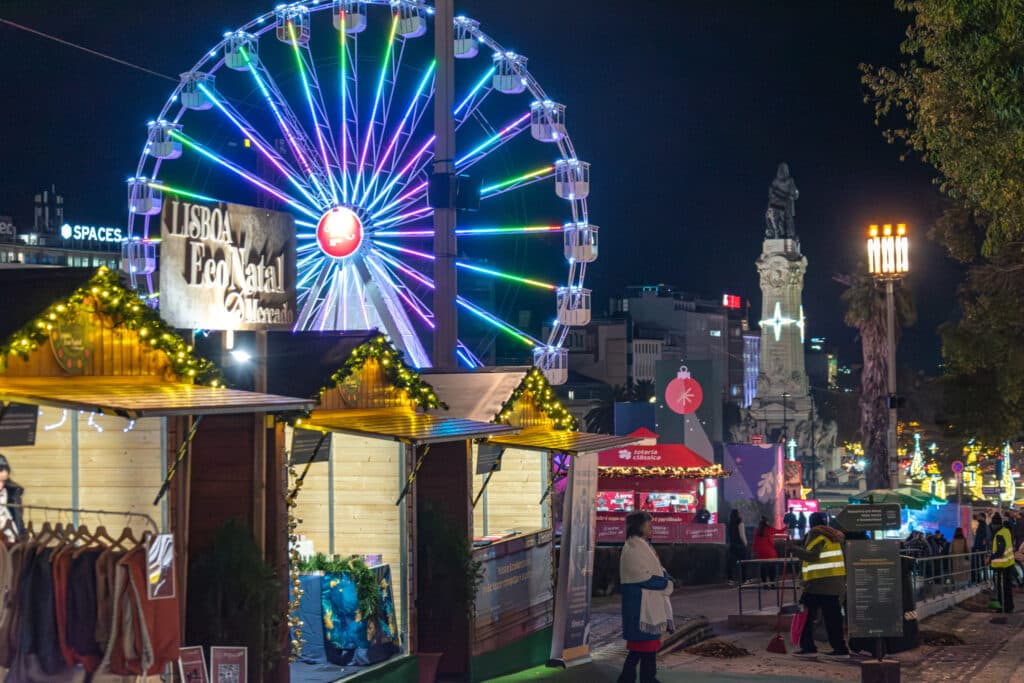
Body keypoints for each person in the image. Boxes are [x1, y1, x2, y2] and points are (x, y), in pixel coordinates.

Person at [618, 511, 673, 683]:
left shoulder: (642, 545)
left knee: (641, 648)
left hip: (644, 604)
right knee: (644, 647)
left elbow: (658, 570)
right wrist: (665, 582)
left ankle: (632, 678)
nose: (651, 527)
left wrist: (665, 579)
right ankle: (646, 678)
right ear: (639, 526)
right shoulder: (633, 548)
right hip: (639, 606)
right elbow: (642, 576)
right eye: (649, 524)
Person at [787, 512, 849, 657]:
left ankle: (808, 648)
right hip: (835, 584)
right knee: (833, 619)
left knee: (805, 616)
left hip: (817, 584)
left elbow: (812, 556)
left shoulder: (816, 533)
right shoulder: (835, 536)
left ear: (811, 522)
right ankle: (840, 650)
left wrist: (793, 549)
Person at [990, 513, 1015, 614]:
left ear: (995, 524)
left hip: (1001, 567)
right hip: (1009, 564)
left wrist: (990, 558)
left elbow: (1000, 550)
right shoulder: (1006, 531)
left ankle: (1002, 608)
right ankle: (1009, 607)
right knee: (1007, 588)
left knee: (1000, 589)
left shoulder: (999, 534)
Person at [752, 516, 787, 588]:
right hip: (770, 552)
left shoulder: (757, 530)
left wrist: (754, 551)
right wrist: (787, 526)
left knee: (763, 568)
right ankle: (772, 584)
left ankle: (764, 584)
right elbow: (780, 531)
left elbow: (755, 542)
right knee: (772, 568)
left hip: (761, 553)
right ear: (767, 522)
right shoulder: (769, 529)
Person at [0, 454, 24, 541]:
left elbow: (18, 518)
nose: (1, 485)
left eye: (3, 481)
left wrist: (20, 535)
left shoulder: (12, 493)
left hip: (9, 536)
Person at [726, 509, 747, 585]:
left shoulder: (730, 523)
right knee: (743, 563)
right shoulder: (740, 522)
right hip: (740, 546)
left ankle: (731, 579)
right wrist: (745, 543)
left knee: (731, 563)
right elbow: (742, 535)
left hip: (732, 545)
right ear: (738, 514)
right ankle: (743, 580)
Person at [973, 513, 990, 583]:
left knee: (980, 564)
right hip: (982, 548)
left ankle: (980, 579)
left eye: (978, 516)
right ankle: (985, 578)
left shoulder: (982, 525)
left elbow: (981, 538)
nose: (977, 517)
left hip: (980, 548)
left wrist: (976, 546)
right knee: (983, 564)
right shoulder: (984, 525)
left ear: (982, 517)